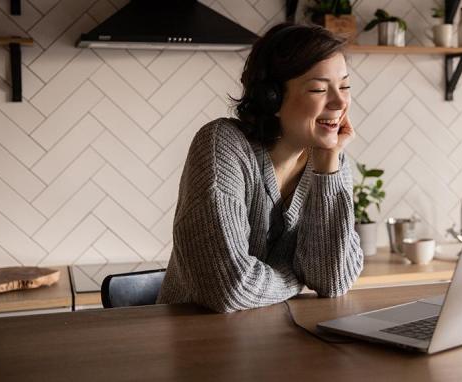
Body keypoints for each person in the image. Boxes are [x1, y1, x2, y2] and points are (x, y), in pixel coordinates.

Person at [156, 23, 364, 313]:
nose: (340, 102)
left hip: (275, 341)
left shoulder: (331, 163)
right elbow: (229, 288)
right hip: (196, 342)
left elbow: (332, 281)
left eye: (345, 86)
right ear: (272, 98)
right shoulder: (222, 145)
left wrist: (328, 167)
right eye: (319, 88)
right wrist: (296, 275)